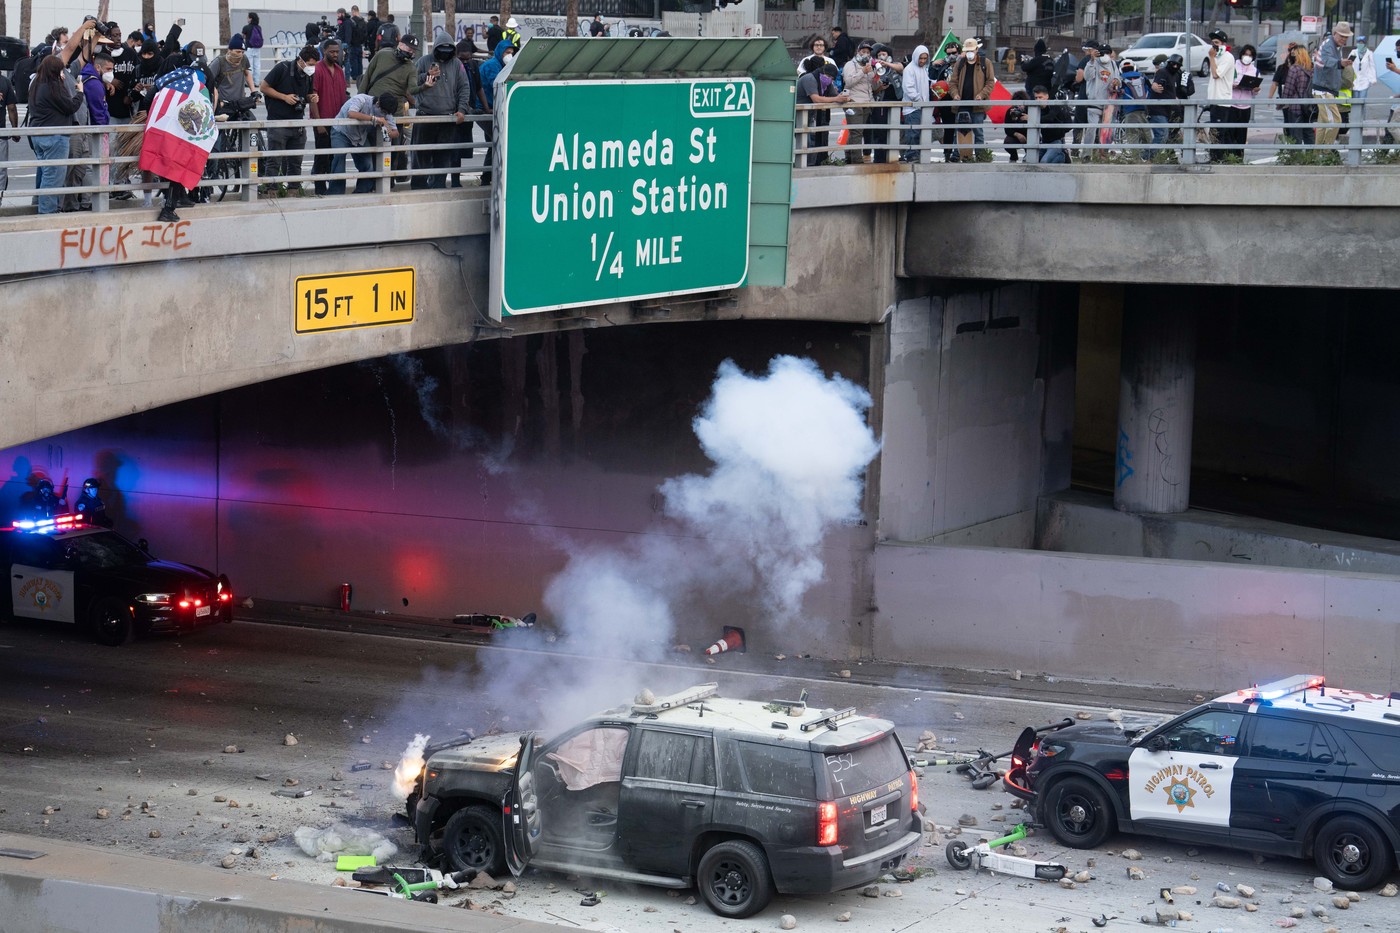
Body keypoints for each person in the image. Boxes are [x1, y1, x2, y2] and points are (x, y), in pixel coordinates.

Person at [410, 29, 472, 189]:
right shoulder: (423, 61)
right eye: (441, 51)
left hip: (447, 118)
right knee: (420, 156)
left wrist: (462, 109)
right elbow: (411, 83)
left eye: (448, 51)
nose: (444, 54)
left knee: (443, 157)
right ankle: (418, 188)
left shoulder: (457, 65)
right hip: (425, 117)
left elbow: (464, 87)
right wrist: (427, 76)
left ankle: (438, 186)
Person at [260, 45, 320, 194]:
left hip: (297, 123)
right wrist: (284, 97)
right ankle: (271, 191)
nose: (312, 68)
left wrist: (311, 97)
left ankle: (294, 191)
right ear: (301, 60)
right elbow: (264, 87)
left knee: (295, 162)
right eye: (311, 64)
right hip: (278, 122)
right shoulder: (282, 68)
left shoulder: (308, 75)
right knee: (274, 161)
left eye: (314, 65)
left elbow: (306, 95)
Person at [361, 33, 419, 182]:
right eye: (409, 48)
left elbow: (412, 89)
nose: (411, 52)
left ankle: (389, 180)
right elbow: (367, 77)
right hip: (374, 110)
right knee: (374, 148)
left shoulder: (410, 67)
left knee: (393, 149)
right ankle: (374, 181)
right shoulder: (382, 55)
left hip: (396, 113)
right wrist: (360, 99)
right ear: (400, 44)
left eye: (414, 50)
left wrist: (426, 85)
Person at [30, 54, 83, 215]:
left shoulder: (36, 84)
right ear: (55, 71)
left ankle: (44, 207)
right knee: (53, 177)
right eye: (61, 71)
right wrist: (80, 92)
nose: (63, 74)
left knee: (47, 173)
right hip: (55, 136)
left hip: (38, 135)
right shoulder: (53, 86)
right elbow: (70, 106)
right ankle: (47, 212)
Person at [329, 91, 399, 194]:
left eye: (387, 113)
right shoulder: (361, 99)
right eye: (383, 111)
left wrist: (388, 130)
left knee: (368, 165)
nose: (384, 114)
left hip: (359, 137)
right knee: (339, 158)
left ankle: (361, 192)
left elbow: (395, 132)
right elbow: (351, 113)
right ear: (378, 103)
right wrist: (373, 119)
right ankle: (335, 193)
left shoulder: (386, 112)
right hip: (341, 132)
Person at [309, 39, 349, 195]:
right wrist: (318, 122)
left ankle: (334, 187)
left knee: (335, 156)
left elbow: (343, 97)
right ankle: (319, 189)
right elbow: (313, 96)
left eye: (337, 51)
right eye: (331, 51)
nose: (335, 54)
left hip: (338, 121)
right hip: (322, 120)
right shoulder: (317, 69)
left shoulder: (340, 70)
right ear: (324, 51)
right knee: (322, 156)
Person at [796, 55, 848, 166]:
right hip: (799, 114)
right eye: (828, 76)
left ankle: (809, 164)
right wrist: (836, 98)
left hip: (811, 115)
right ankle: (803, 164)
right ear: (822, 71)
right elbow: (816, 99)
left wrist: (843, 97)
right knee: (806, 141)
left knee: (811, 141)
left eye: (832, 78)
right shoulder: (809, 78)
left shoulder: (826, 82)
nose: (830, 79)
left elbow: (834, 95)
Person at [947, 38, 996, 155]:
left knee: (978, 131)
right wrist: (955, 94)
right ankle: (957, 154)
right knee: (959, 131)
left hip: (978, 105)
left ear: (976, 50)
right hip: (962, 104)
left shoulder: (986, 63)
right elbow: (953, 82)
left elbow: (990, 82)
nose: (969, 53)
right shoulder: (960, 63)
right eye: (967, 50)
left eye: (972, 50)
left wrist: (982, 94)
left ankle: (980, 155)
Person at [1214, 43, 1259, 160]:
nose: (1247, 57)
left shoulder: (1255, 70)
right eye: (1245, 54)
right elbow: (1227, 82)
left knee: (1242, 134)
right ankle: (1229, 157)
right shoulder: (1234, 65)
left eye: (1250, 55)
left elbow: (1254, 92)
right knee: (1229, 133)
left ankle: (1239, 158)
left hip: (1245, 107)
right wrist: (1235, 86)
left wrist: (1255, 89)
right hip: (1232, 105)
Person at [451, 37, 485, 186]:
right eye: (461, 59)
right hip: (455, 112)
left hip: (468, 113)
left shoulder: (472, 66)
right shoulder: (452, 67)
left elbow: (479, 88)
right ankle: (454, 181)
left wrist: (485, 107)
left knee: (462, 148)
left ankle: (456, 180)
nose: (464, 62)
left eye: (467, 58)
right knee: (453, 150)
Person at [1145, 53, 1193, 158]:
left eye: (1177, 65)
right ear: (1168, 63)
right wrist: (1154, 86)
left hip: (1169, 110)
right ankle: (1147, 157)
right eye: (1173, 64)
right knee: (1162, 134)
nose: (1175, 67)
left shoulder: (1176, 74)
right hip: (1157, 109)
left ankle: (1156, 157)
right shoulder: (1163, 72)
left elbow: (1187, 90)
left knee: (1167, 136)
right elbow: (1157, 84)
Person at [1312, 21, 1351, 146]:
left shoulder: (1332, 45)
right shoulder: (1329, 45)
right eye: (1341, 36)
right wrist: (1340, 63)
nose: (1344, 39)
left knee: (1323, 124)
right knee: (1335, 121)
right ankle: (1326, 150)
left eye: (1346, 37)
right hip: (1324, 90)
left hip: (1325, 89)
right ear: (1334, 33)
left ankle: (1317, 153)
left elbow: (1327, 61)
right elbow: (1327, 60)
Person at [1081, 41, 1118, 159]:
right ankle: (1087, 154)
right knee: (1091, 129)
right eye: (1103, 53)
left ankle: (1103, 155)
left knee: (1106, 131)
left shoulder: (1113, 64)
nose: (1105, 55)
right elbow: (1087, 76)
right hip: (1094, 102)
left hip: (1108, 103)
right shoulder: (1092, 63)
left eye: (1107, 52)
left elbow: (1118, 78)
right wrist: (1092, 60)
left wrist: (1116, 83)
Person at [867, 43, 903, 164]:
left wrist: (886, 64)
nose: (881, 56)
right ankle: (879, 158)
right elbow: (872, 90)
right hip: (880, 103)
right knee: (880, 132)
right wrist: (880, 88)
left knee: (895, 131)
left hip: (896, 103)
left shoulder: (894, 65)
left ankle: (893, 156)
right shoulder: (874, 69)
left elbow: (901, 68)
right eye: (879, 55)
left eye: (884, 54)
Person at [842, 40, 875, 162]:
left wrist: (879, 81)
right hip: (854, 101)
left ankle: (848, 157)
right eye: (863, 51)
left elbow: (871, 84)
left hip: (867, 102)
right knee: (856, 132)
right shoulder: (850, 65)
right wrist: (862, 72)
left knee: (856, 131)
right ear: (858, 52)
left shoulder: (869, 66)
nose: (866, 54)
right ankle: (856, 161)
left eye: (868, 52)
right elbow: (849, 82)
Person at [206, 34, 256, 112]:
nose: (240, 55)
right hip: (224, 104)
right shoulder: (219, 62)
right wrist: (216, 100)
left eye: (242, 52)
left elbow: (247, 73)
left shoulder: (244, 59)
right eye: (238, 52)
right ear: (230, 50)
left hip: (240, 103)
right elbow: (208, 79)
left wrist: (253, 91)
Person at [899, 44, 930, 162]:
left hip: (922, 106)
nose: (922, 61)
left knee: (918, 132)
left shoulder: (923, 69)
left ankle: (915, 153)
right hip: (912, 107)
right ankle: (911, 154)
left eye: (924, 58)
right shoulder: (909, 69)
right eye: (920, 58)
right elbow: (908, 88)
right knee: (913, 132)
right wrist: (918, 99)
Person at [1280, 43, 1315, 146]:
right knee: (1309, 134)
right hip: (1309, 107)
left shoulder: (1294, 69)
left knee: (1296, 136)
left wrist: (1281, 104)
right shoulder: (1312, 69)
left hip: (1295, 107)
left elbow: (1288, 89)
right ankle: (1311, 158)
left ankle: (1297, 159)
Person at [1030, 85, 1071, 162]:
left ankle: (1062, 156)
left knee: (1044, 161)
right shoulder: (1035, 109)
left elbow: (1050, 118)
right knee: (1030, 160)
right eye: (1036, 98)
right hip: (1044, 141)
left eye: (1040, 97)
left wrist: (1031, 118)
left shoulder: (1054, 106)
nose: (1038, 100)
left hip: (1056, 141)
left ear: (1047, 96)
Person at [1003, 89, 1029, 161]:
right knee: (1007, 142)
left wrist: (1030, 119)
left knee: (1032, 144)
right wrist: (1017, 134)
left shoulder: (1031, 110)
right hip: (1016, 136)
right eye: (1016, 104)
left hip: (1029, 135)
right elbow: (1007, 129)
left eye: (1021, 105)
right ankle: (1013, 157)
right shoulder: (1010, 111)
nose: (1018, 107)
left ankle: (1028, 156)